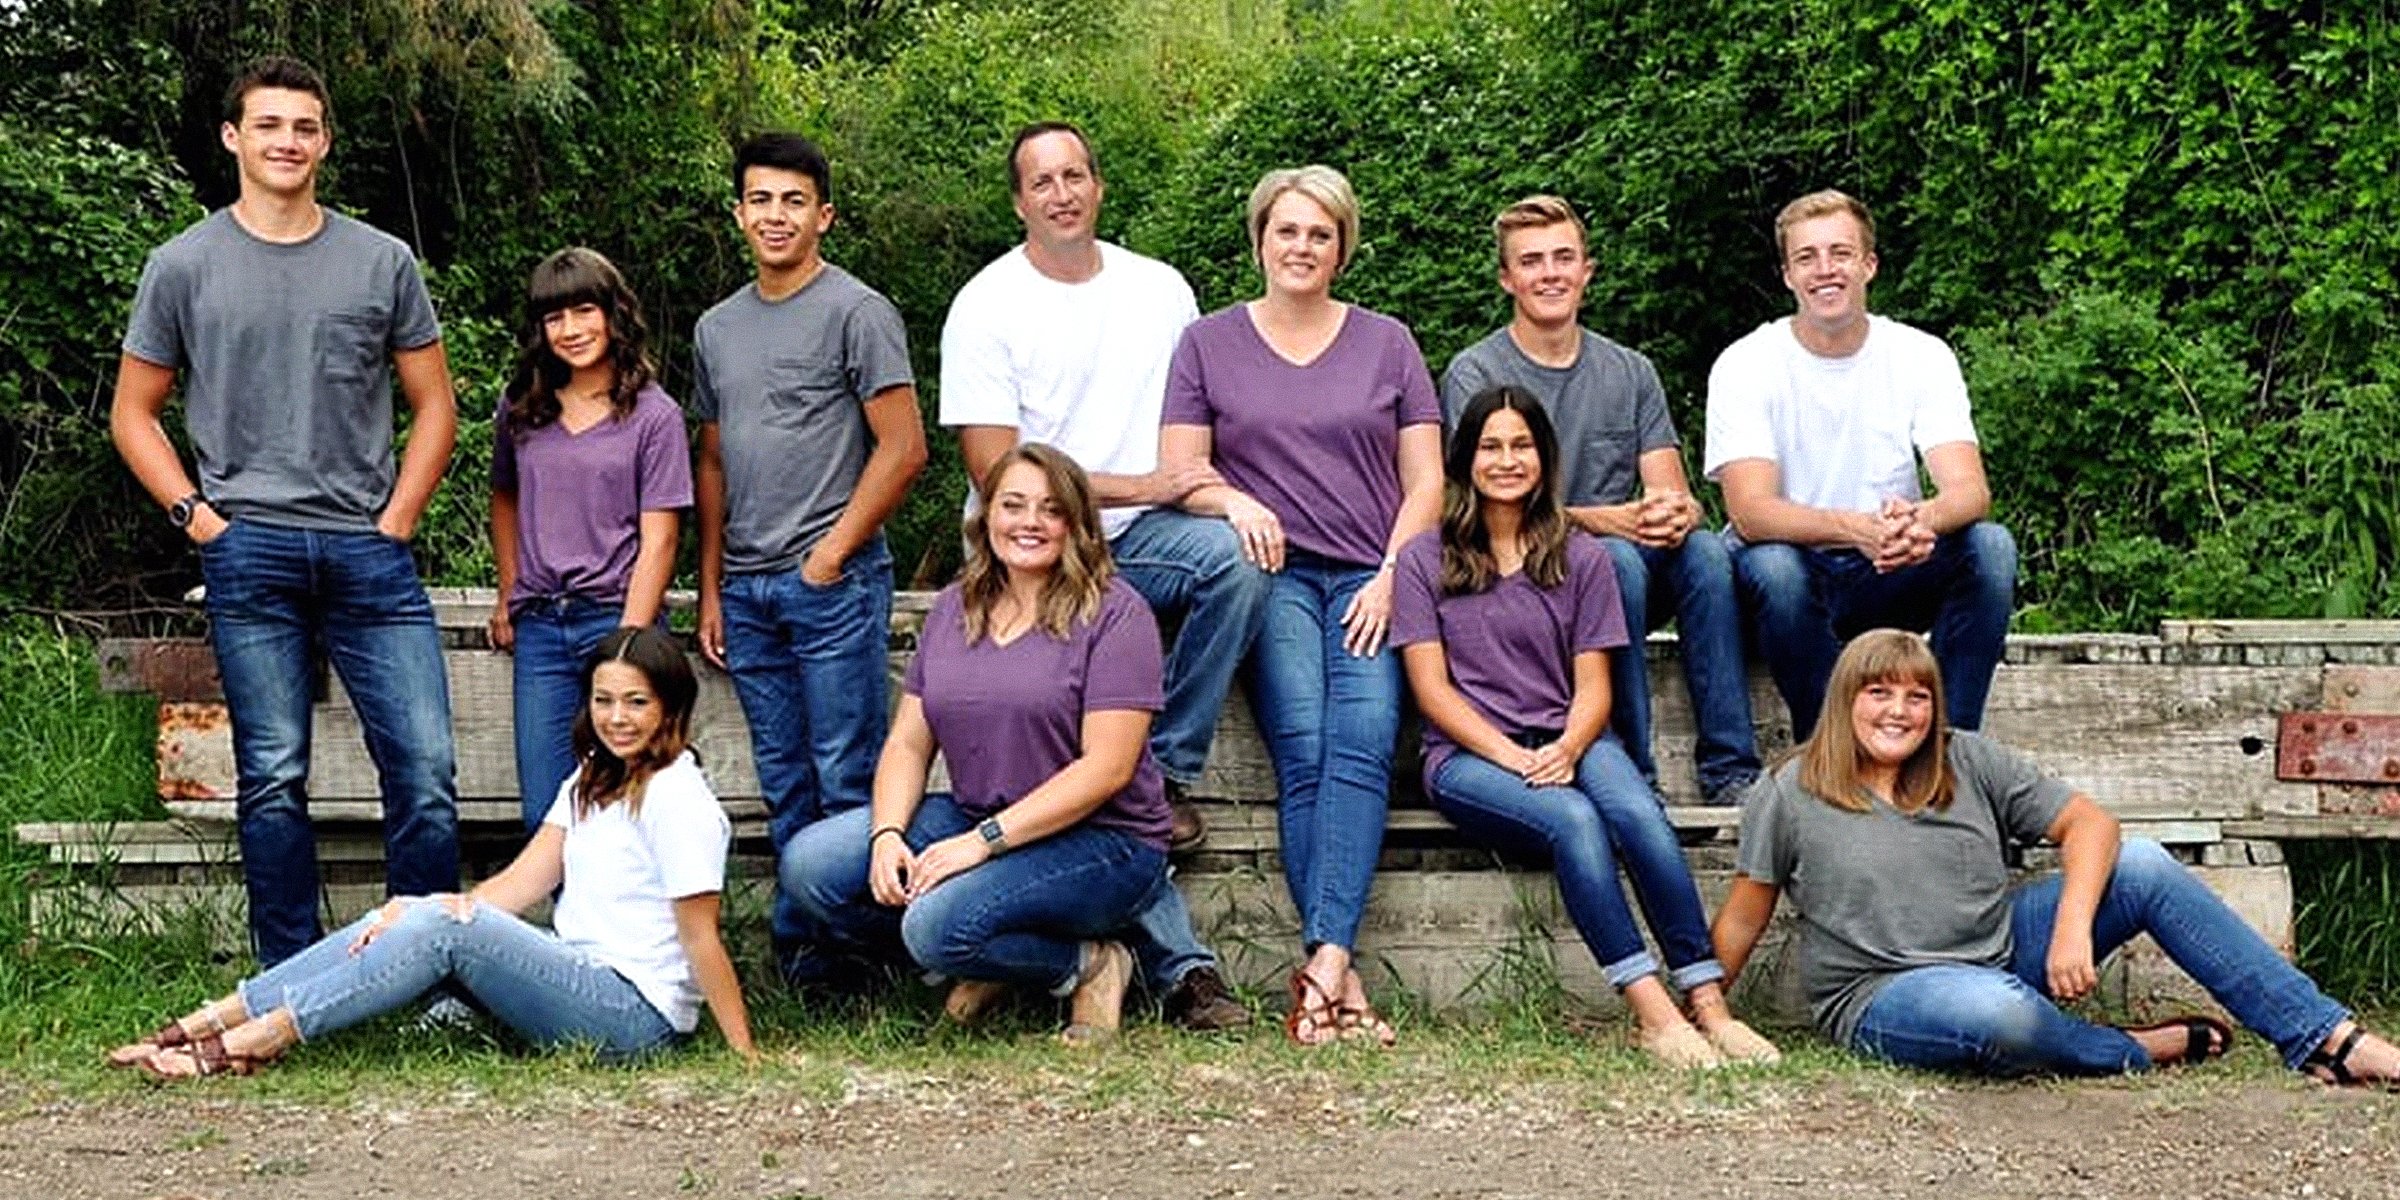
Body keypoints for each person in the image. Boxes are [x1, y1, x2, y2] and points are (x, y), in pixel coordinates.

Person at [109, 56, 461, 967]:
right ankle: (293, 983)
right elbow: (133, 411)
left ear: (325, 142)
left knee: (423, 773)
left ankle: (415, 974)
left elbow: (436, 406)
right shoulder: (182, 265)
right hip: (246, 549)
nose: (287, 143)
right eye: (268, 126)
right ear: (234, 138)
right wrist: (198, 518)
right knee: (273, 779)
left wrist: (398, 521)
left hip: (367, 552)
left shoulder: (381, 261)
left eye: (304, 127)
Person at [1711, 629, 2400, 1084]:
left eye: (1917, 696)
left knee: (2145, 866)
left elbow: (2090, 824)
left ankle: (2326, 1040)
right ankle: (2128, 1048)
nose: (1900, 712)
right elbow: (1744, 917)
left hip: (2004, 950)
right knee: (1998, 1014)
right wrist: (1702, 1012)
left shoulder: (1964, 758)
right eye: (1879, 693)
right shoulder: (1789, 790)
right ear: (1845, 701)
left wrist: (2072, 926)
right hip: (1886, 994)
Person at [937, 120, 1262, 1030]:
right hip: (1030, 549)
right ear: (1018, 201)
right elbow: (995, 471)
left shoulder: (1160, 290)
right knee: (1085, 787)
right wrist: (1141, 485)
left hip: (1148, 538)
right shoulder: (987, 304)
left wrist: (1207, 496)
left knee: (1237, 560)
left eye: (1076, 174)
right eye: (1041, 181)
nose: (1061, 192)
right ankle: (1178, 968)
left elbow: (1197, 426)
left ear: (1099, 186)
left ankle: (1168, 767)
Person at [107, 627, 754, 1077]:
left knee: (439, 925)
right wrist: (416, 910)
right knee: (404, 914)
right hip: (577, 978)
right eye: (604, 700)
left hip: (635, 1019)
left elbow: (700, 938)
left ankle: (261, 1040)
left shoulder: (678, 798)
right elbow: (521, 884)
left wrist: (746, 1054)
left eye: (637, 702)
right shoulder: (593, 779)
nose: (618, 717)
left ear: (672, 706)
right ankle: (205, 1023)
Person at [1394, 387, 1780, 1068]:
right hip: (1467, 756)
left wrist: (1570, 745)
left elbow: (1594, 686)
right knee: (1574, 819)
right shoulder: (1427, 559)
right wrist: (1515, 758)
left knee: (1638, 812)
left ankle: (1709, 1004)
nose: (1507, 460)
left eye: (1522, 445)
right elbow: (1432, 692)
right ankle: (1654, 1015)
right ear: (1465, 458)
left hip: (1571, 735)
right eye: (1490, 446)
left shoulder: (1581, 556)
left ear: (1544, 457)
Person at [1160, 165, 1445, 1046]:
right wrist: (1235, 502)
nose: (1302, 248)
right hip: (1274, 574)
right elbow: (1182, 472)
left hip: (1371, 574)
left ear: (1342, 247)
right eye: (1287, 231)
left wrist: (1397, 573)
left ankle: (1323, 959)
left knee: (1363, 739)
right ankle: (1337, 970)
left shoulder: (1388, 342)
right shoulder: (1207, 343)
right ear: (1259, 241)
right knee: (1308, 748)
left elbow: (1428, 478)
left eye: (1320, 234)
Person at [779, 446, 1170, 1044]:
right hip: (976, 816)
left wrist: (982, 845)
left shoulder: (1117, 614)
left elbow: (1108, 769)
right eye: (1012, 505)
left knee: (934, 926)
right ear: (986, 517)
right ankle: (993, 953)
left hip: (1104, 841)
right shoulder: (955, 609)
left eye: (1051, 509)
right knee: (814, 867)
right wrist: (887, 835)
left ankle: (1089, 963)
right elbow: (909, 745)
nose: (1029, 523)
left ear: (1077, 523)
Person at [691, 132, 928, 982]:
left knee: (845, 778)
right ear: (738, 214)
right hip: (748, 592)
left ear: (823, 215)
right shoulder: (718, 328)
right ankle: (808, 966)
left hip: (831, 583)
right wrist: (712, 584)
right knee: (785, 780)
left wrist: (828, 557)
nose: (776, 216)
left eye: (794, 201)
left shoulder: (857, 311)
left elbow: (902, 449)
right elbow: (712, 460)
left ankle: (873, 960)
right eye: (760, 200)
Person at [1441, 196, 1760, 806]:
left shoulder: (1630, 370)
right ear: (1508, 279)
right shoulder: (1475, 372)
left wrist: (1678, 510)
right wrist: (1605, 521)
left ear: (1587, 270)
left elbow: (1667, 484)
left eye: (1564, 257)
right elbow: (1480, 503)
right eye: (1531, 262)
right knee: (1614, 563)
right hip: (1530, 568)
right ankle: (1634, 774)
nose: (1550, 273)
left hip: (1627, 558)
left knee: (1705, 556)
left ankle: (1730, 771)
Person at [1703, 189, 2016, 739]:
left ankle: (1950, 745)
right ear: (1787, 276)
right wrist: (1856, 529)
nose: (1825, 270)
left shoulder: (1922, 355)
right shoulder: (1747, 362)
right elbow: (1751, 512)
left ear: (1869, 264)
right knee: (1774, 567)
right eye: (1807, 258)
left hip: (1888, 567)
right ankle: (1831, 749)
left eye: (1840, 253)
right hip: (1787, 582)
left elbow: (1969, 490)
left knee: (1989, 548)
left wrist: (1919, 523)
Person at [489, 247, 693, 833]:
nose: (571, 330)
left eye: (584, 311)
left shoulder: (653, 415)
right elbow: (503, 497)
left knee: (626, 802)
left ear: (613, 313)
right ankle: (562, 927)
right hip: (542, 631)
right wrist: (509, 590)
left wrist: (626, 646)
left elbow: (661, 539)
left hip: (615, 616)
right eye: (555, 318)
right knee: (547, 811)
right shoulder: (522, 407)